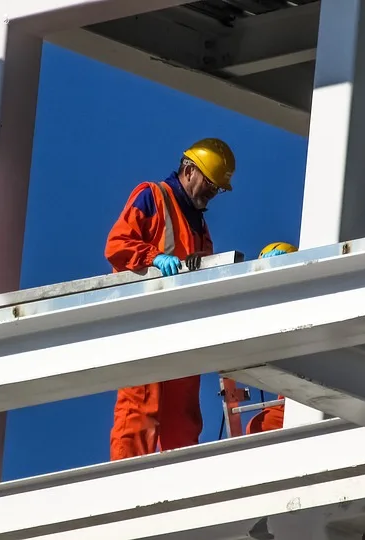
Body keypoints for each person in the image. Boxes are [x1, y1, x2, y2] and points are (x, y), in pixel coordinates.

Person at [104, 138, 236, 461]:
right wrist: (152, 259)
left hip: (180, 332)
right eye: (210, 184)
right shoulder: (152, 196)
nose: (212, 194)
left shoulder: (201, 228)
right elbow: (117, 244)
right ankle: (125, 488)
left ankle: (180, 490)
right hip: (143, 325)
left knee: (183, 421)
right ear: (189, 171)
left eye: (217, 189)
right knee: (139, 411)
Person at [245, 242, 298, 435]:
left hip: (337, 397)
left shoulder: (310, 306)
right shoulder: (270, 316)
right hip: (292, 400)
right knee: (260, 427)